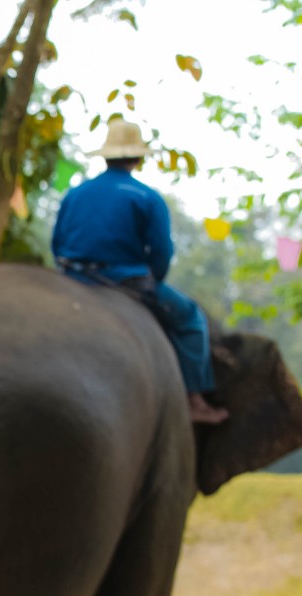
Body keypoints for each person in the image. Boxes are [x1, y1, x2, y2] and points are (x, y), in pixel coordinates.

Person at [52, 117, 229, 426]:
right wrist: (153, 281)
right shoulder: (146, 197)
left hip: (72, 279)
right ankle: (194, 400)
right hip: (123, 281)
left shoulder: (75, 194)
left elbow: (57, 244)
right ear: (137, 158)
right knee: (189, 317)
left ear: (106, 156)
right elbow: (161, 252)